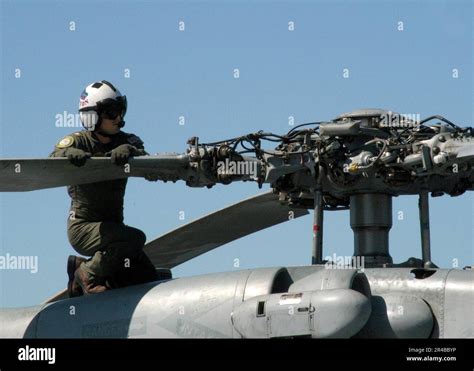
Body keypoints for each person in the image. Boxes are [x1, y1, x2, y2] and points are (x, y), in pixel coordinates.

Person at [50, 80, 158, 296]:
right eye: (111, 112)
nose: (119, 118)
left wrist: (131, 152)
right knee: (135, 238)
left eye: (120, 111)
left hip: (112, 231)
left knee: (146, 277)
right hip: (84, 228)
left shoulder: (128, 140)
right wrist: (66, 156)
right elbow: (53, 158)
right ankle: (86, 274)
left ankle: (87, 270)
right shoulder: (77, 141)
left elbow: (146, 159)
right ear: (92, 116)